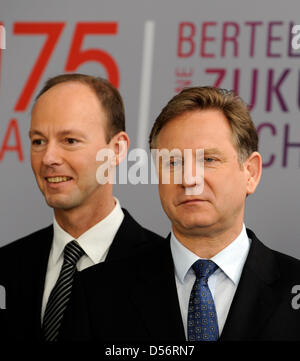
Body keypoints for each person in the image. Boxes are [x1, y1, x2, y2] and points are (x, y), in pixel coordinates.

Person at [62, 86, 300, 341]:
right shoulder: (98, 292)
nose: (189, 179)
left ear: (251, 173)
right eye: (173, 163)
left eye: (208, 160)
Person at [0, 73, 163, 341]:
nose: (49, 158)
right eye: (38, 141)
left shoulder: (167, 272)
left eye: (70, 141)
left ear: (118, 149)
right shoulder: (7, 264)